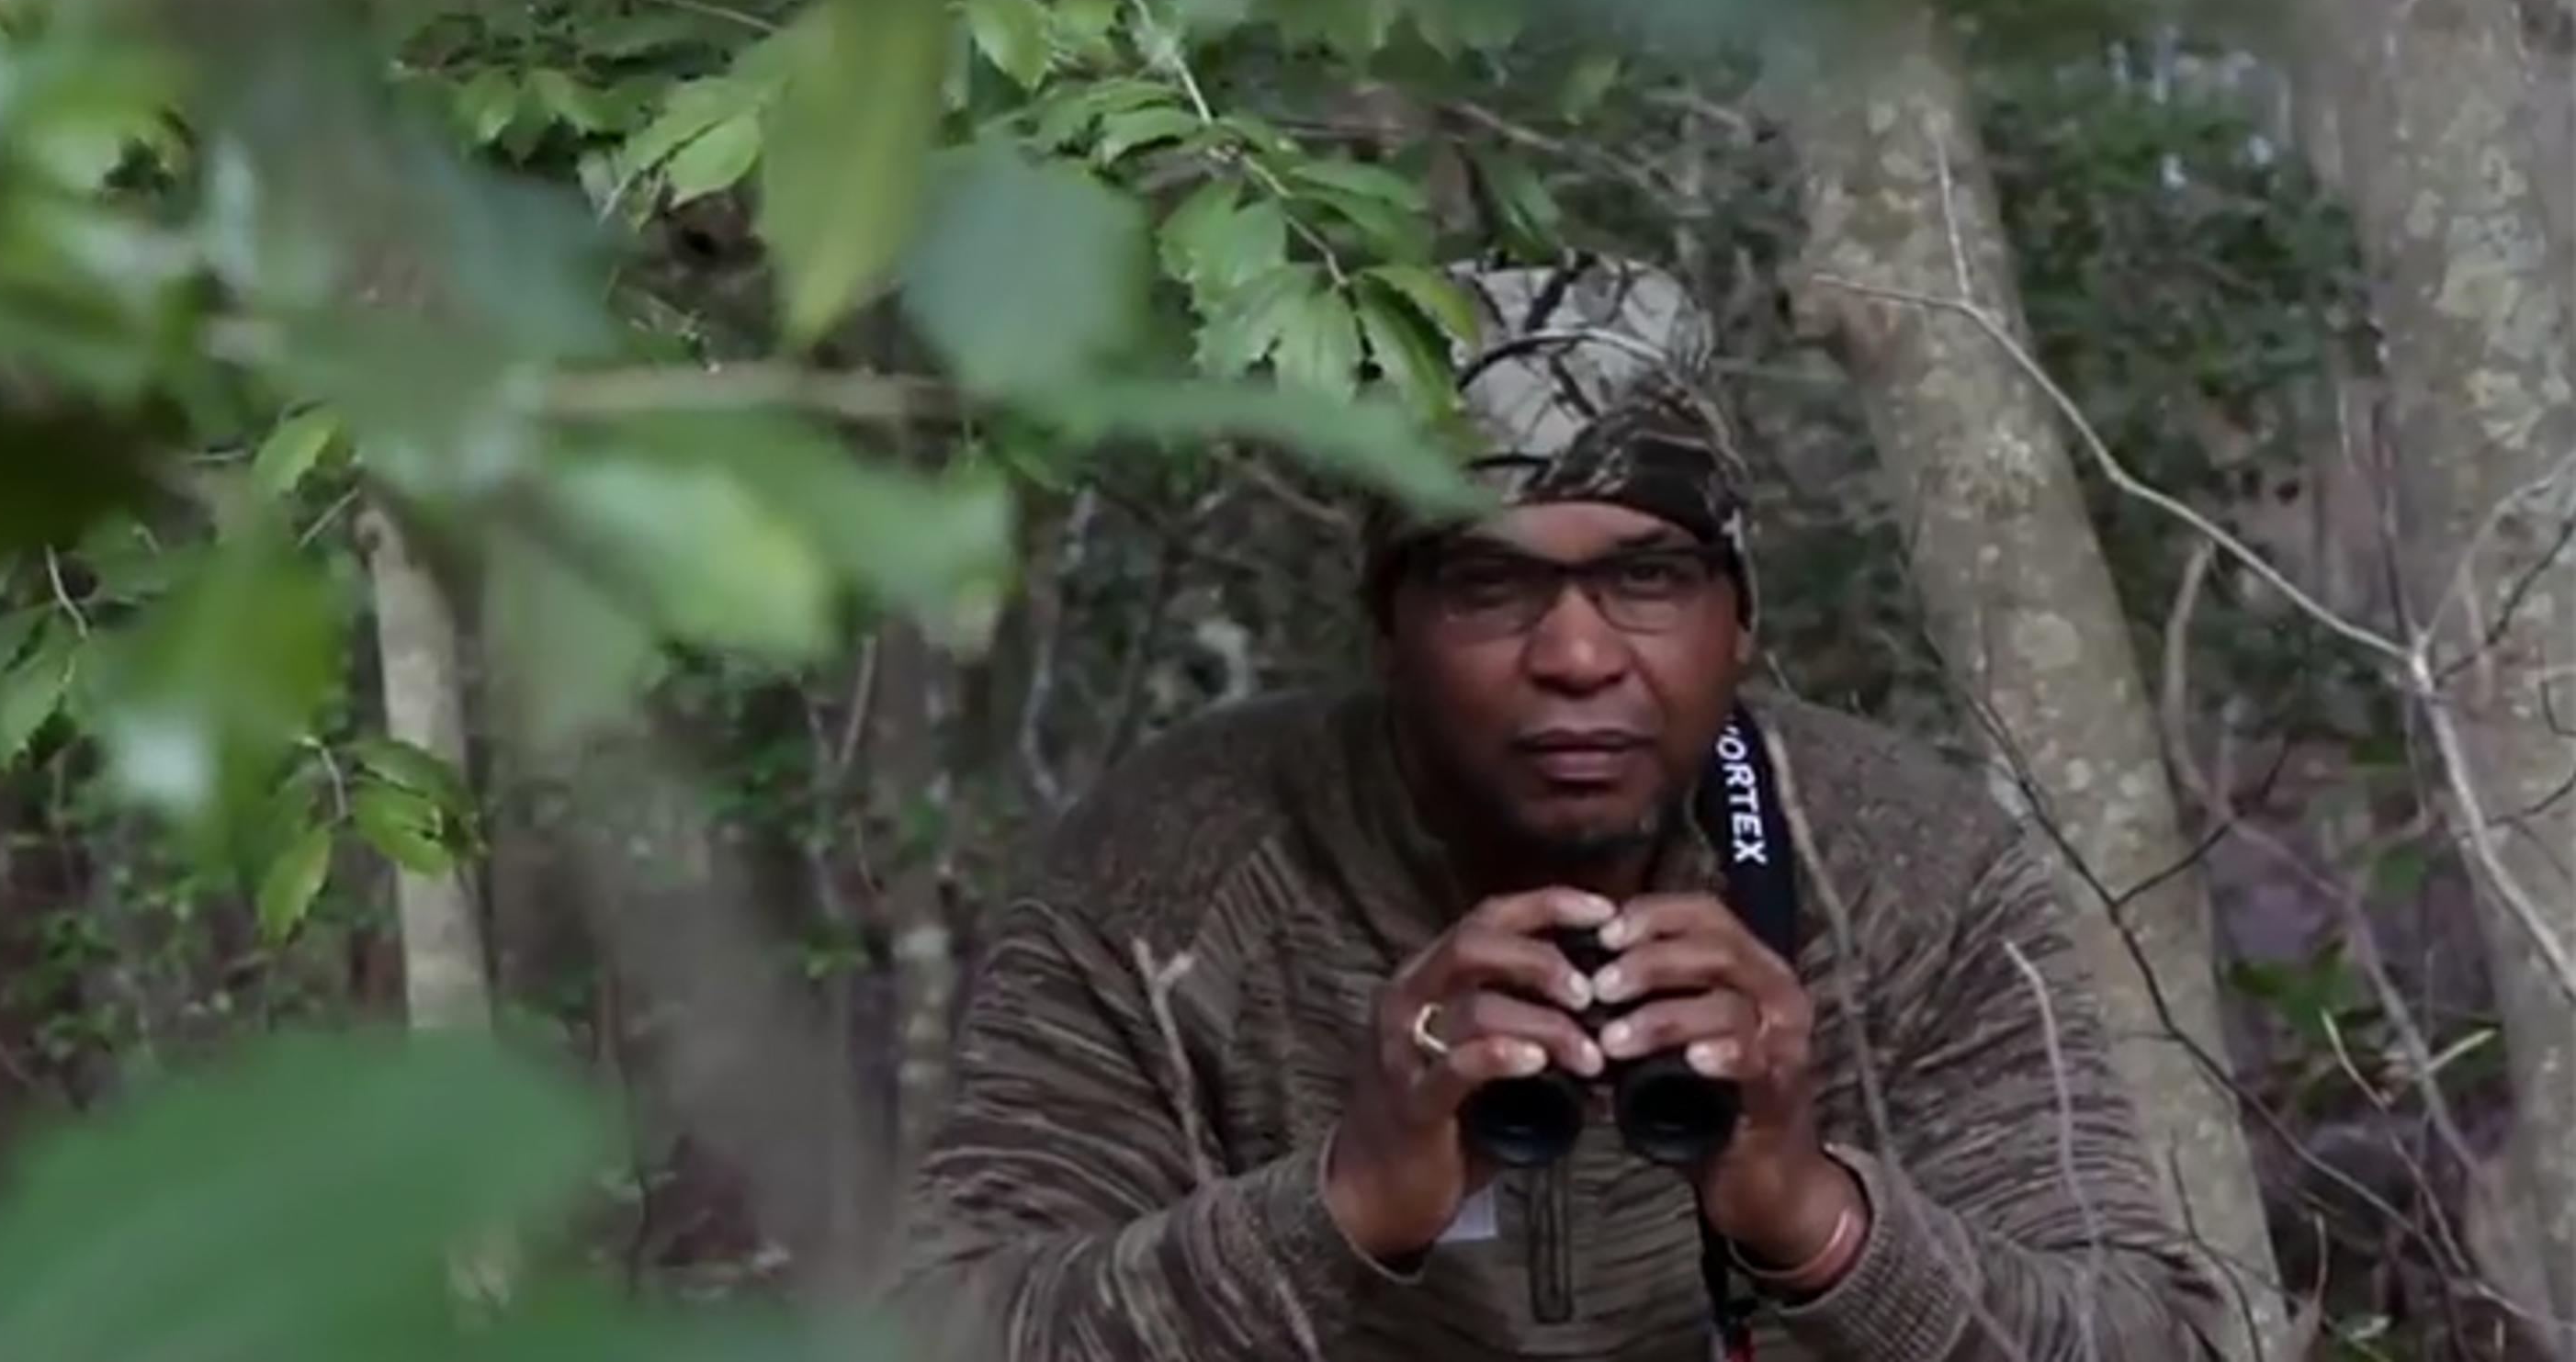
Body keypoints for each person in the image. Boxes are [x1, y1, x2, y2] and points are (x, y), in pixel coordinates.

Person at [887, 254, 2231, 1362]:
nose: (1579, 656)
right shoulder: (1171, 871)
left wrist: (1814, 1215)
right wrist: (1343, 1202)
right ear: (1387, 627)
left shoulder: (1904, 868)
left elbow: (2149, 1335)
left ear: (1741, 616)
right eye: (1488, 586)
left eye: (1648, 579)